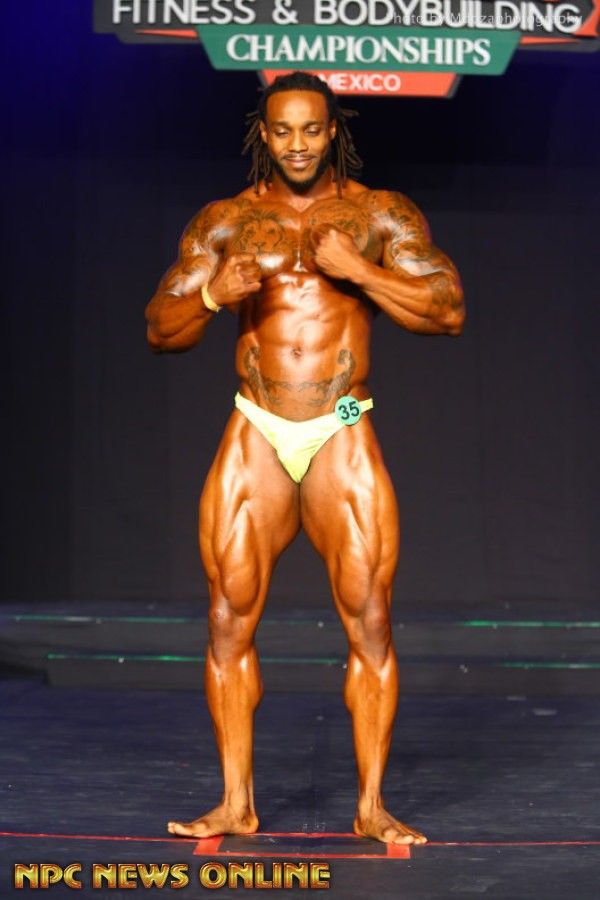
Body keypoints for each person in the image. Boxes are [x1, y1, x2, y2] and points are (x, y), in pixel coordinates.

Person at [145, 71, 464, 846]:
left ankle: (372, 807)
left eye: (311, 130)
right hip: (256, 423)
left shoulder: (379, 213)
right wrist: (214, 297)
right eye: (283, 130)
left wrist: (361, 273)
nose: (297, 145)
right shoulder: (225, 220)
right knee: (227, 619)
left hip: (342, 421)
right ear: (264, 133)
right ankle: (235, 803)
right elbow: (159, 327)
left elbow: (448, 311)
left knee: (371, 619)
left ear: (333, 131)